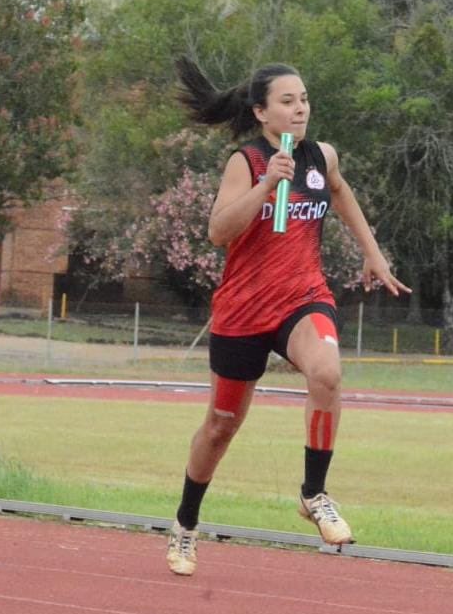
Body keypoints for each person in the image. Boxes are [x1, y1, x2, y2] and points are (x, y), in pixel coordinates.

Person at [166, 58, 410, 577]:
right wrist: (265, 185)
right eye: (287, 101)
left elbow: (340, 192)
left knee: (327, 373)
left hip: (302, 298)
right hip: (244, 309)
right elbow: (218, 232)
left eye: (303, 99)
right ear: (261, 112)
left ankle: (313, 493)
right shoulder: (247, 161)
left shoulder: (321, 156)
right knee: (221, 426)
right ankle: (185, 525)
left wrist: (373, 252)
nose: (300, 109)